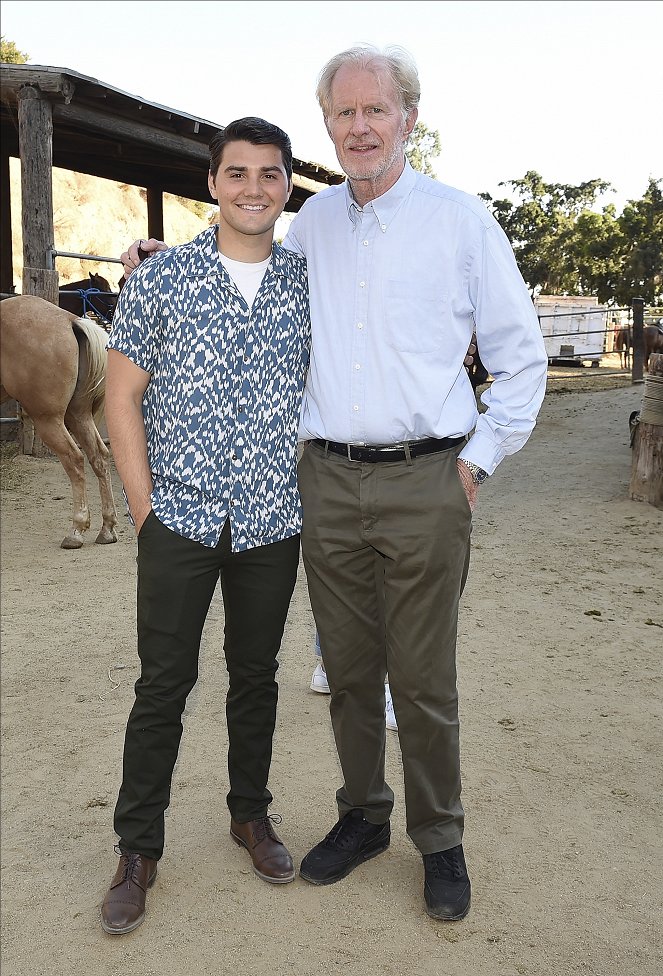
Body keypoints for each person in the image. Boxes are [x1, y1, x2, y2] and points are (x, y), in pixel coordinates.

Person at [121, 44, 548, 924]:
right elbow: (241, 254)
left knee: (421, 678)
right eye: (342, 114)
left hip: (427, 473)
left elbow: (522, 362)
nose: (358, 128)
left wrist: (474, 463)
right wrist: (163, 263)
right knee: (348, 671)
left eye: (374, 111)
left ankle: (441, 839)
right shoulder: (309, 226)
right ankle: (362, 818)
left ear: (408, 120)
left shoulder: (460, 222)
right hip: (322, 482)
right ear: (328, 126)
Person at [100, 117, 311, 936]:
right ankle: (135, 849)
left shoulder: (305, 282)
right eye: (236, 173)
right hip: (178, 519)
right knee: (163, 686)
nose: (252, 188)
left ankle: (248, 815)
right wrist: (147, 512)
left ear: (285, 184)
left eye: (267, 174)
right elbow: (120, 398)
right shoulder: (162, 281)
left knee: (255, 676)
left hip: (271, 519)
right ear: (212, 183)